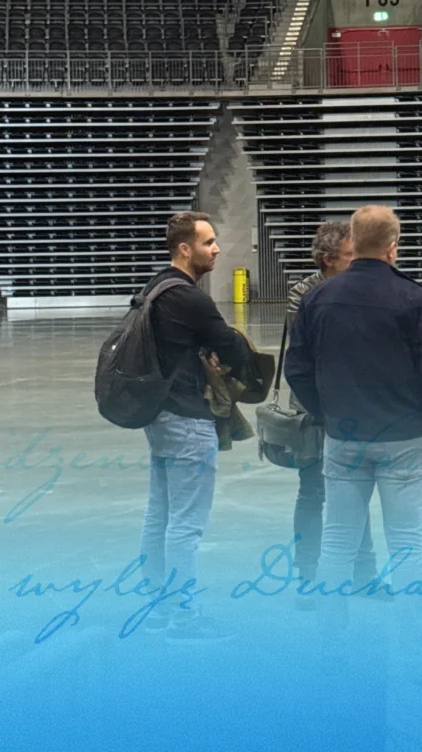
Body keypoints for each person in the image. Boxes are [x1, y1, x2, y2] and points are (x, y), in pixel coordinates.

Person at [284, 205, 422, 630]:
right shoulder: (412, 297)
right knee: (407, 543)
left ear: (354, 241)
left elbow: (297, 369)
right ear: (393, 246)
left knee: (337, 541)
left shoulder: (317, 299)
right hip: (404, 436)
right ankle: (416, 637)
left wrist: (326, 413)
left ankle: (330, 634)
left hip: (343, 436)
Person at [139, 211, 256, 642]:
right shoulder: (190, 298)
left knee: (160, 516)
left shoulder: (154, 288)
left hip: (159, 417)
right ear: (185, 249)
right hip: (188, 420)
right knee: (186, 524)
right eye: (208, 242)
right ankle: (183, 617)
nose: (217, 249)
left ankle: (157, 608)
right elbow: (234, 350)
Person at [286, 221, 381, 609]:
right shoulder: (302, 294)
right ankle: (308, 577)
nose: (357, 262)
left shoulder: (362, 289)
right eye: (349, 256)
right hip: (314, 409)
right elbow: (312, 353)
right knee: (312, 492)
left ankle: (365, 575)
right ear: (327, 260)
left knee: (357, 490)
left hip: (356, 408)